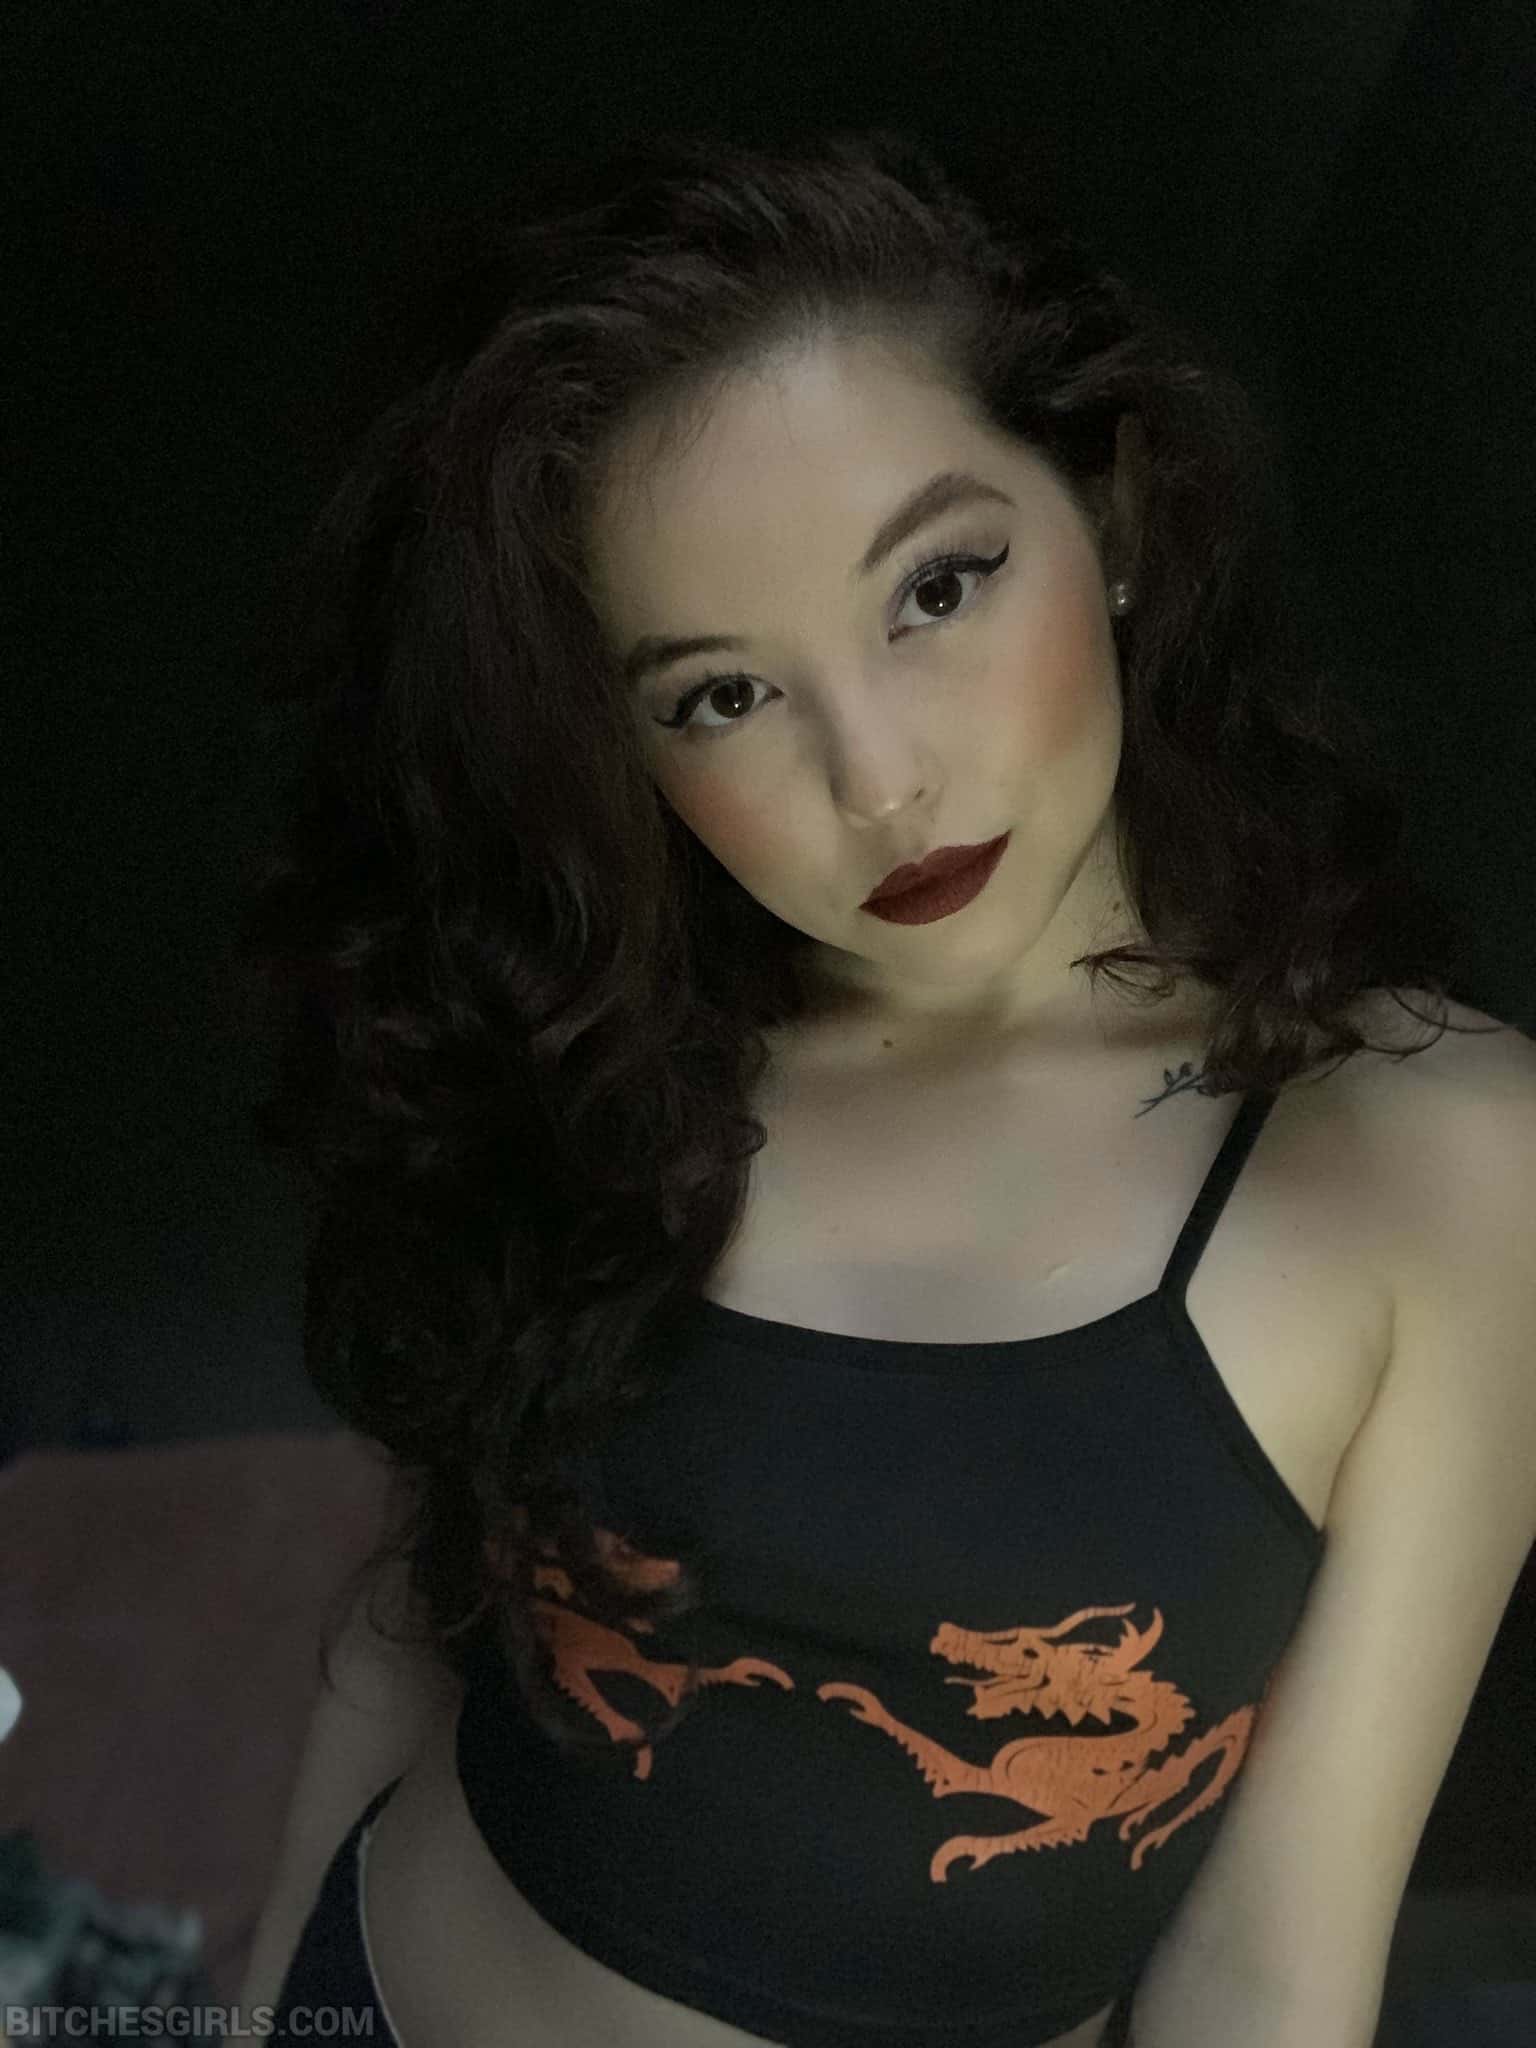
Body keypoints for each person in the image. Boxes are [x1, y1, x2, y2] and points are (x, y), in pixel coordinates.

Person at [233, 125, 1503, 2048]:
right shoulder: (605, 1044)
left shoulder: (1431, 1156)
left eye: (938, 588)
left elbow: (1269, 1971)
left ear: (1118, 512)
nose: (879, 781)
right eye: (722, 695)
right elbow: (422, 1624)